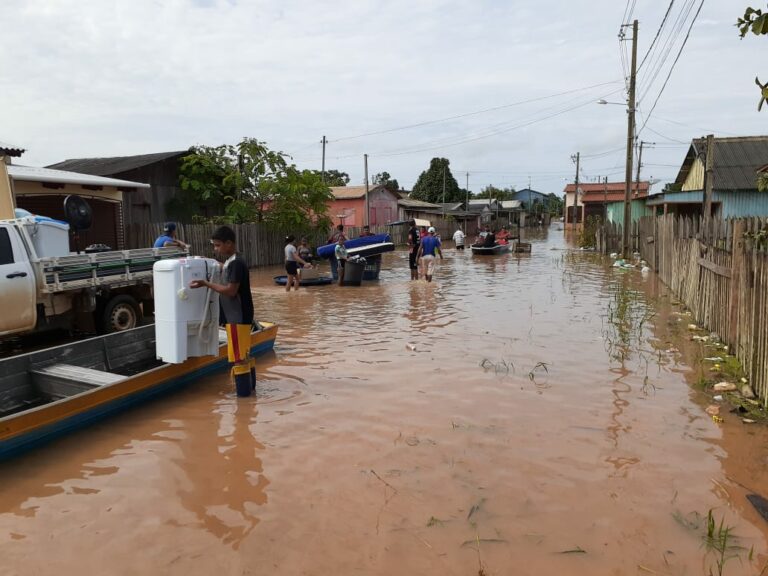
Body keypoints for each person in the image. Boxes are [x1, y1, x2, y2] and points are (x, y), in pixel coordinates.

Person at [189, 225, 255, 396]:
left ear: (229, 243)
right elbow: (225, 268)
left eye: (218, 245)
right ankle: (251, 392)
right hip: (240, 315)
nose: (215, 249)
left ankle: (244, 401)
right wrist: (210, 262)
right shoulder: (232, 261)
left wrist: (206, 283)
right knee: (244, 354)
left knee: (238, 359)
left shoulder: (236, 264)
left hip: (237, 316)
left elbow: (231, 291)